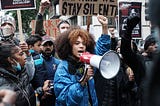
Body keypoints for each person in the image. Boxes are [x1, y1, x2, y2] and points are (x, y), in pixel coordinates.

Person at [120, 15, 158, 106]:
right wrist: (128, 30)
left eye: (157, 43)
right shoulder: (140, 61)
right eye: (152, 44)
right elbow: (126, 52)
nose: (156, 46)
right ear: (146, 48)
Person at [0, 41, 36, 106]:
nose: (25, 57)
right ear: (11, 60)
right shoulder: (2, 84)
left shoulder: (22, 72)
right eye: (21, 54)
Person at [40, 35, 61, 106]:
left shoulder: (59, 63)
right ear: (40, 46)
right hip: (42, 98)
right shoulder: (36, 62)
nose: (48, 47)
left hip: (56, 97)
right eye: (45, 45)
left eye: (50, 45)